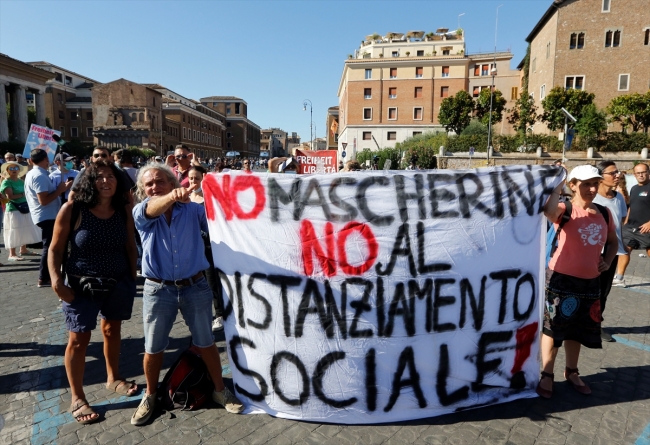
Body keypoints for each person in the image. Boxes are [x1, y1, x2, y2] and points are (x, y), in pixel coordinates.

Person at [130, 164, 243, 425]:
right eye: (149, 185)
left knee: (206, 343)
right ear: (142, 190)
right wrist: (172, 197)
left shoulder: (193, 210)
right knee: (153, 348)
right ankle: (150, 395)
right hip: (159, 290)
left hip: (195, 287)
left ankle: (218, 390)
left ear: (172, 182)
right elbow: (151, 208)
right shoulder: (142, 211)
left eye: (160, 182)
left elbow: (221, 222)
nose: (154, 187)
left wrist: (219, 193)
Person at [48, 160, 138, 424]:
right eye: (99, 177)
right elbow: (54, 249)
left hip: (116, 283)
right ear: (89, 182)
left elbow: (130, 247)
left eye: (111, 176)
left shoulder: (123, 211)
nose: (106, 181)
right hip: (80, 286)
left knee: (112, 330)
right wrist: (56, 282)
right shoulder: (73, 209)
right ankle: (77, 397)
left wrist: (131, 279)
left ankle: (113, 378)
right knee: (78, 339)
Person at [538, 165, 617, 399]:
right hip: (561, 280)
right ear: (573, 185)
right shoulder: (566, 208)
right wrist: (557, 184)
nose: (592, 188)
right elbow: (549, 211)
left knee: (579, 330)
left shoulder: (604, 213)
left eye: (595, 183)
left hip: (591, 282)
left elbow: (613, 242)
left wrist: (607, 260)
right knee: (553, 330)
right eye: (586, 184)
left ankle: (572, 371)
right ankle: (546, 374)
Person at [24, 149, 72, 287]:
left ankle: (46, 276)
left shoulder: (34, 173)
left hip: (45, 215)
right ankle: (44, 277)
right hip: (47, 216)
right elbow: (43, 200)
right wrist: (60, 190)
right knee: (51, 247)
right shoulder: (39, 175)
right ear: (46, 160)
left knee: (50, 246)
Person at [593, 161, 628, 342]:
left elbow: (621, 220)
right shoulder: (592, 199)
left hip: (613, 251)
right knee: (590, 290)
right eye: (612, 173)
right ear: (600, 177)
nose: (617, 176)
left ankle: (596, 325)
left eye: (618, 172)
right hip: (592, 252)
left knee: (604, 291)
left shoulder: (619, 197)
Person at [187, 165, 224, 331]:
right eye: (191, 178)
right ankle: (202, 314)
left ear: (204, 179)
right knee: (195, 282)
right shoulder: (186, 198)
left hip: (208, 246)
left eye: (197, 178)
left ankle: (220, 314)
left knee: (211, 282)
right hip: (192, 246)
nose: (193, 182)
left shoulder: (210, 198)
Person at [616, 163, 650, 285]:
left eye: (643, 172)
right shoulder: (634, 188)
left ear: (648, 172)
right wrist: (626, 221)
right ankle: (619, 277)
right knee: (624, 250)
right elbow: (632, 207)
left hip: (646, 228)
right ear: (634, 174)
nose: (641, 175)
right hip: (631, 227)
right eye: (638, 173)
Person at [1, 161, 41, 261]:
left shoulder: (21, 181)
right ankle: (12, 254)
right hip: (14, 209)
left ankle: (23, 249)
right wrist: (23, 194)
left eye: (16, 168)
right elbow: (10, 197)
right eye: (11, 168)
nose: (14, 170)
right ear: (7, 171)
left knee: (24, 229)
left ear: (19, 170)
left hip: (24, 207)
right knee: (14, 230)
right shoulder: (7, 181)